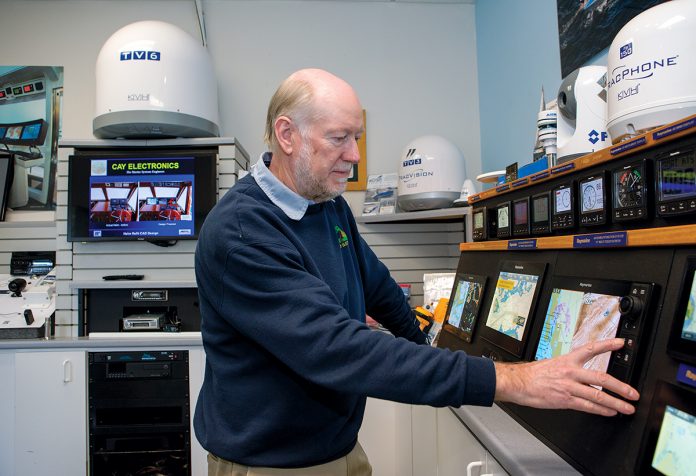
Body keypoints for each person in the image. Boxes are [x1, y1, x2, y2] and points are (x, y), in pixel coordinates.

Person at [194, 68, 639, 476]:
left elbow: (375, 283)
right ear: (287, 135)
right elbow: (337, 350)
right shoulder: (242, 232)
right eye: (339, 138)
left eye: (358, 137)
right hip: (272, 463)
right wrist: (512, 380)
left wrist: (424, 341)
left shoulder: (325, 204)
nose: (354, 155)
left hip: (337, 446)